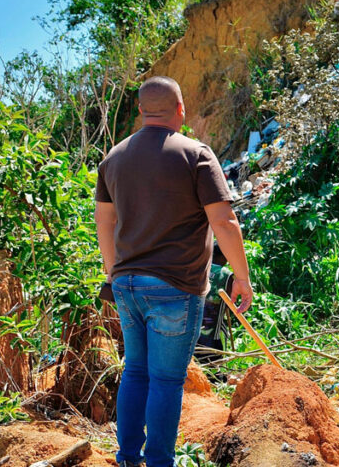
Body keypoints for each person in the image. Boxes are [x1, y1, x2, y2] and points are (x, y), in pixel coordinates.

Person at [95, 76, 255, 467]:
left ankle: (128, 458)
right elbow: (225, 222)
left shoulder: (113, 158)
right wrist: (242, 277)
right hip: (175, 286)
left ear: (140, 112)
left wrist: (113, 272)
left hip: (127, 285)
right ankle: (161, 462)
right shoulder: (195, 154)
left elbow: (103, 220)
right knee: (166, 380)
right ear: (181, 109)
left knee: (136, 372)